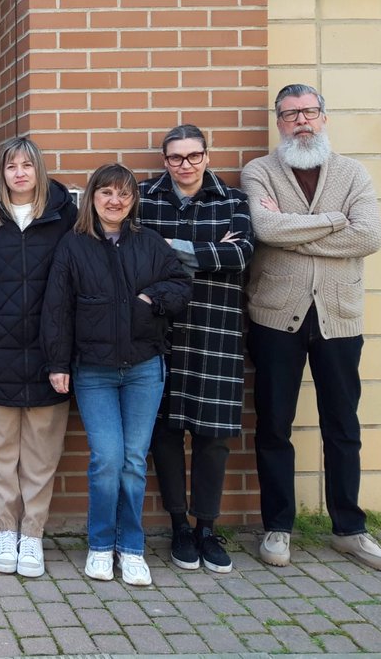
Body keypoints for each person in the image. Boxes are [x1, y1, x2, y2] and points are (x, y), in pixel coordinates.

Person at [241, 84, 381, 572]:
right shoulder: (259, 172)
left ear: (324, 117)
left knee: (343, 426)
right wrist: (336, 223)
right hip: (274, 317)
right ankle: (278, 528)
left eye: (309, 112)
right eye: (290, 115)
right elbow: (265, 231)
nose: (301, 122)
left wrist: (297, 230)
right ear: (279, 122)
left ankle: (350, 529)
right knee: (273, 426)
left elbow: (369, 236)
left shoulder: (352, 173)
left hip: (338, 318)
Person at [42, 163, 192, 587]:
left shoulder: (149, 243)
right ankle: (100, 544)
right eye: (106, 192)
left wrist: (151, 298)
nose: (115, 201)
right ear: (92, 198)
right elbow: (57, 309)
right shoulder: (73, 247)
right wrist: (57, 363)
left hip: (145, 369)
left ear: (133, 201)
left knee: (132, 460)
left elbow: (181, 287)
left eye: (123, 194)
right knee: (107, 459)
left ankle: (132, 548)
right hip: (94, 372)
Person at [0, 137, 76, 576]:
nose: (20, 172)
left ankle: (33, 534)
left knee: (42, 453)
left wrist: (65, 343)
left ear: (39, 170)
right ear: (2, 173)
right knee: (1, 450)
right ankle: (5, 530)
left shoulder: (65, 217)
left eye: (28, 165)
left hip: (50, 353)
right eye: (12, 166)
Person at [138, 125, 253, 575]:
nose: (185, 165)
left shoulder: (233, 200)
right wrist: (208, 251)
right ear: (164, 160)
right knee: (165, 432)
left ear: (207, 155)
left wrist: (174, 248)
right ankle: (178, 526)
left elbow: (242, 254)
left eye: (193, 156)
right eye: (175, 158)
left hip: (216, 329)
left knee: (212, 436)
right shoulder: (145, 197)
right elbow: (137, 251)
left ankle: (207, 527)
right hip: (161, 329)